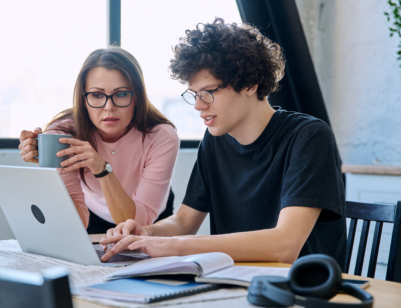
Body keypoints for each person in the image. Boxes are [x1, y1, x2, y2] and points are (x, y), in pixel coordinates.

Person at [100, 18, 347, 268]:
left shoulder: (309, 137)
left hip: (303, 289)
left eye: (209, 91)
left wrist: (175, 246)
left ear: (251, 83)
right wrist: (146, 233)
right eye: (195, 94)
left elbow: (285, 245)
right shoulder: (215, 142)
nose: (198, 105)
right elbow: (184, 222)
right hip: (236, 282)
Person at [18, 47, 179, 234]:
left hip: (148, 215)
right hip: (92, 214)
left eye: (121, 94)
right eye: (97, 95)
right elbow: (74, 224)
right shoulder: (63, 133)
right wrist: (50, 167)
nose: (109, 107)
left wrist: (102, 169)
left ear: (138, 97)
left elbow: (138, 222)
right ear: (83, 98)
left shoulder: (161, 136)